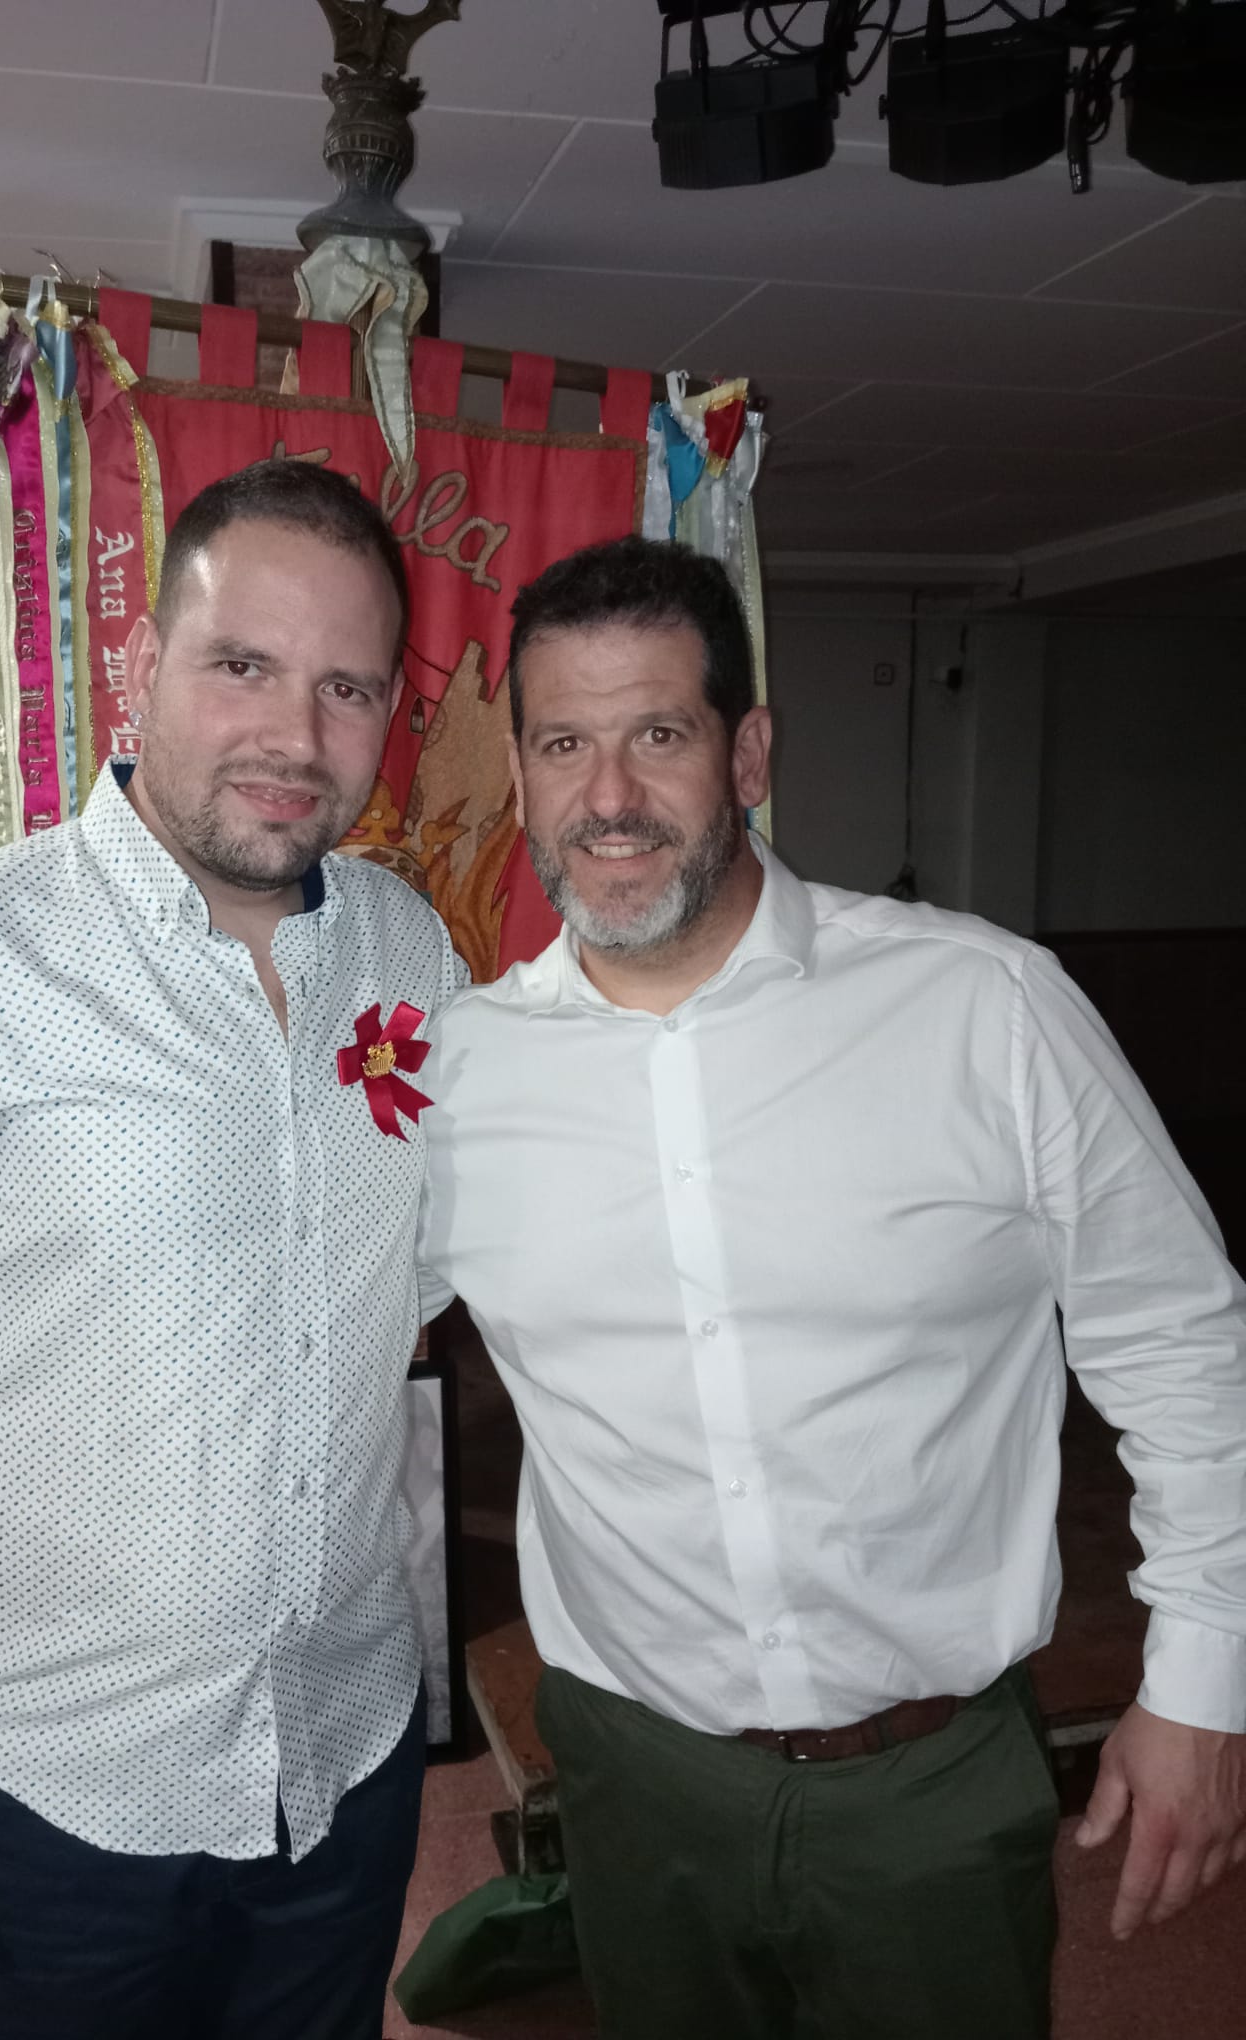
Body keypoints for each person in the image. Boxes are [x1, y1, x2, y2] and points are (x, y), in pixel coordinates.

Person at [417, 534, 1246, 2040]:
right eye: (565, 746)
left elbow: (1184, 1340)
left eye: (658, 734)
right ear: (520, 776)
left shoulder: (985, 1008)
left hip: (930, 1787)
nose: (610, 797)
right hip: (634, 1779)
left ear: (748, 753)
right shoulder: (453, 1078)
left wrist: (1203, 1682)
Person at [0, 460, 465, 2040]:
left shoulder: (409, 950)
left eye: (346, 687)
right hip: (59, 1803)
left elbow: (433, 1274)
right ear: (137, 665)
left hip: (345, 1763)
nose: (294, 734)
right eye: (241, 664)